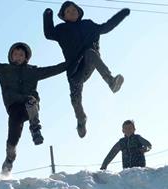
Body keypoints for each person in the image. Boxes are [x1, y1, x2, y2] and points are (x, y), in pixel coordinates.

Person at [0, 42, 69, 173]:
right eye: (15, 54)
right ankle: (10, 157)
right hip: (14, 107)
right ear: (11, 56)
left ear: (26, 58)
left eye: (21, 55)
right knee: (14, 134)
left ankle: (35, 129)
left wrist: (71, 62)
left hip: (29, 106)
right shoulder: (2, 70)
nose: (18, 56)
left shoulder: (33, 71)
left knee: (31, 102)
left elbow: (53, 69)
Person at [43, 1, 130, 138]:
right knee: (75, 100)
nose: (72, 12)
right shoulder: (61, 29)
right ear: (64, 16)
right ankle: (81, 119)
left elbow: (106, 27)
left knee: (90, 52)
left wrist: (122, 14)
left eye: (74, 10)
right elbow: (48, 34)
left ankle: (111, 82)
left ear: (79, 12)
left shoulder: (88, 25)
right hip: (73, 71)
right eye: (68, 12)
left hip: (88, 63)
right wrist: (47, 15)